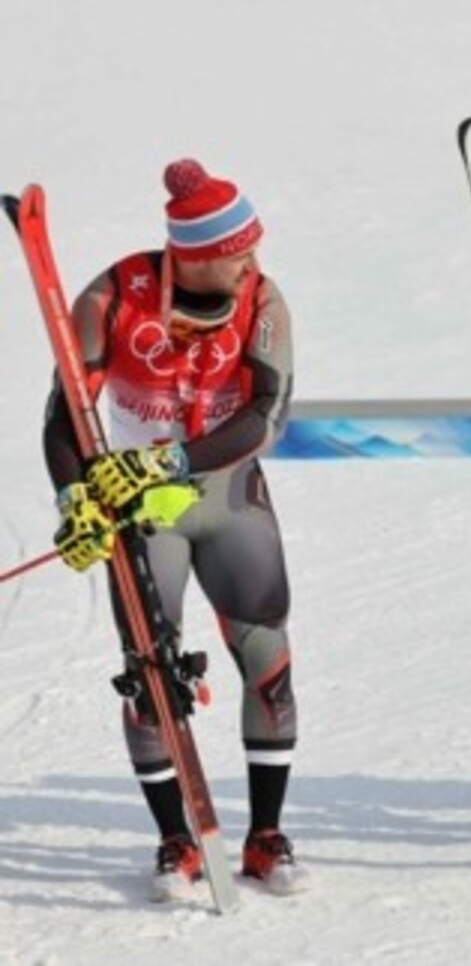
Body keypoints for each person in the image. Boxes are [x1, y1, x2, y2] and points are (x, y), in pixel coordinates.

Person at [43, 158, 309, 899]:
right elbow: (62, 416)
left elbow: (267, 416)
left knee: (268, 661)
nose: (253, 261)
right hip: (137, 508)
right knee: (148, 676)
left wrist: (174, 459)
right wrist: (76, 500)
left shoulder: (265, 301)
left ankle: (265, 834)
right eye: (239, 251)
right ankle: (173, 840)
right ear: (194, 254)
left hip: (226, 494)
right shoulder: (111, 297)